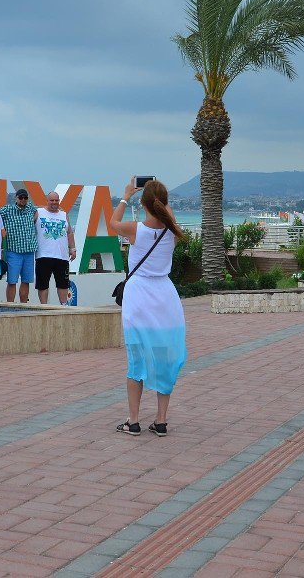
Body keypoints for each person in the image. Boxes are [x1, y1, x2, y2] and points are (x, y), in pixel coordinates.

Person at [109, 178, 186, 437]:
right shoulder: (173, 231)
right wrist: (163, 202)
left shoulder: (135, 230)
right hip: (165, 297)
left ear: (142, 203)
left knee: (137, 359)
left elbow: (112, 223)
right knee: (164, 357)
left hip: (140, 296)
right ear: (164, 203)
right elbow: (168, 217)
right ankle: (161, 421)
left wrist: (125, 196)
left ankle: (133, 421)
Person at [35, 191, 76, 305]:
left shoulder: (64, 214)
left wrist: (73, 249)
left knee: (63, 283)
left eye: (56, 200)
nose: (54, 202)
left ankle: (63, 306)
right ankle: (44, 306)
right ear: (47, 201)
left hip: (62, 256)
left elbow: (69, 233)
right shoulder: (39, 212)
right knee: (43, 284)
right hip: (43, 255)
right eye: (51, 200)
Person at [0, 188, 38, 303]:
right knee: (12, 281)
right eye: (21, 197)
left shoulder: (30, 208)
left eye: (25, 197)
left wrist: (32, 221)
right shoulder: (8, 209)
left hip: (29, 252)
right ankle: (10, 306)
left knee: (26, 281)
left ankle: (23, 306)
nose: (23, 200)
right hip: (13, 252)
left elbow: (38, 211)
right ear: (16, 198)